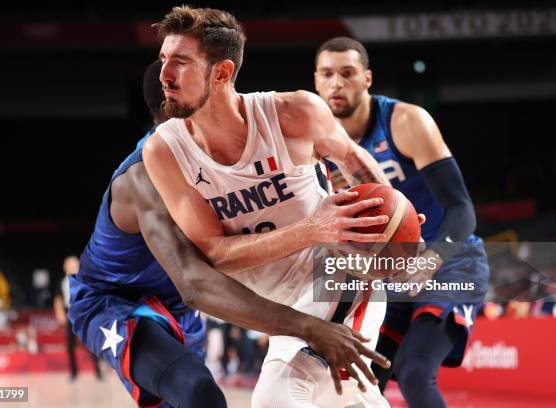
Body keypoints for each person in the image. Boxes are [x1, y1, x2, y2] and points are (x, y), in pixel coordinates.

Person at [68, 44, 396, 408]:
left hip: (180, 302)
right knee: (199, 392)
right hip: (119, 300)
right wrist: (307, 325)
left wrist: (390, 218)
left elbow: (345, 158)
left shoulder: (232, 145)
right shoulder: (150, 175)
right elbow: (197, 280)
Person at [143, 6, 427, 408]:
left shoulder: (293, 113)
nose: (164, 75)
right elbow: (215, 254)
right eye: (164, 60)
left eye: (181, 62)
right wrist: (312, 228)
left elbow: (354, 161)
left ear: (222, 73)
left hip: (338, 278)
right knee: (349, 400)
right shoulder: (165, 150)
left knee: (276, 398)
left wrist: (395, 223)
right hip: (281, 310)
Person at [314, 37, 490, 408]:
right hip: (385, 271)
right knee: (360, 384)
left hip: (448, 259)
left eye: (347, 73)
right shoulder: (313, 144)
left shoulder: (406, 121)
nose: (336, 83)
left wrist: (431, 261)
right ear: (316, 81)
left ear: (367, 79)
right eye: (327, 74)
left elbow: (462, 209)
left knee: (413, 372)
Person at [53, 255, 102, 381]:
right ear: (65, 267)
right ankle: (74, 373)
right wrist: (60, 313)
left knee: (91, 343)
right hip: (70, 314)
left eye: (74, 264)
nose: (72, 267)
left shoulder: (85, 280)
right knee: (70, 345)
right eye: (69, 265)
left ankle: (98, 372)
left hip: (84, 313)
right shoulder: (61, 282)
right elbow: (58, 299)